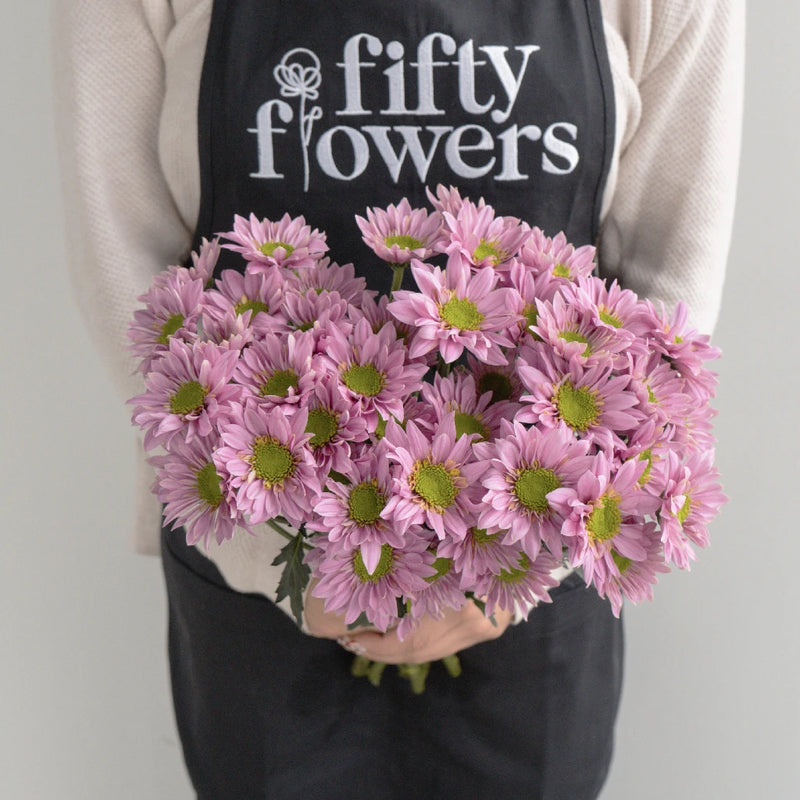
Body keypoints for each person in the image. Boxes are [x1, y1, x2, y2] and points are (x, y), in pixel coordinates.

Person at [52, 1, 744, 797]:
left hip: (537, 563)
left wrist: (512, 562)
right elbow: (120, 259)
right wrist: (273, 554)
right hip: (255, 560)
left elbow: (670, 278)